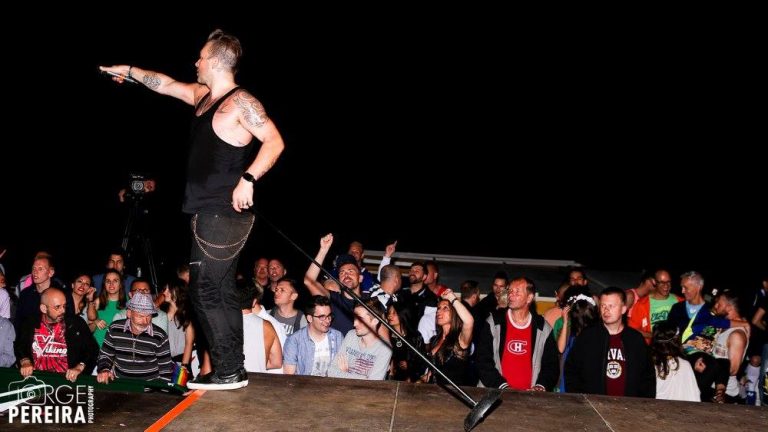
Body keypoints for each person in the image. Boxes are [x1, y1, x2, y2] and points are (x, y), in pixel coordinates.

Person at [100, 29, 285, 390]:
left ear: (215, 60)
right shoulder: (203, 96)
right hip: (208, 214)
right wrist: (130, 71)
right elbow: (166, 85)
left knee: (203, 291)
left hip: (223, 214)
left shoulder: (240, 102)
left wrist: (248, 178)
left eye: (201, 56)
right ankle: (233, 368)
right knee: (221, 291)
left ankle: (228, 369)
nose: (196, 62)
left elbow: (275, 141)